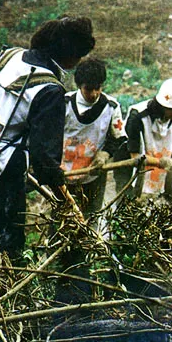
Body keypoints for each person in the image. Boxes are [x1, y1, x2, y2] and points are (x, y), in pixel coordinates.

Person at [0, 17, 95, 264]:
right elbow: (44, 159)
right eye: (79, 55)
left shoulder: (12, 56)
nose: (79, 62)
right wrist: (64, 197)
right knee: (1, 247)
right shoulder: (49, 89)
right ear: (69, 54)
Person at [61, 58, 126, 221]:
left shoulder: (111, 107)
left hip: (93, 174)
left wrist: (105, 154)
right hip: (63, 173)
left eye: (97, 88)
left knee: (91, 217)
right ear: (79, 86)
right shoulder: (64, 103)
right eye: (88, 89)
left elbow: (118, 138)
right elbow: (49, 135)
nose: (94, 94)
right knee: (62, 217)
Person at [120, 78, 172, 200]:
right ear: (162, 106)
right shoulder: (137, 116)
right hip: (129, 167)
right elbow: (135, 157)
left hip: (159, 169)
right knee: (128, 204)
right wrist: (162, 162)